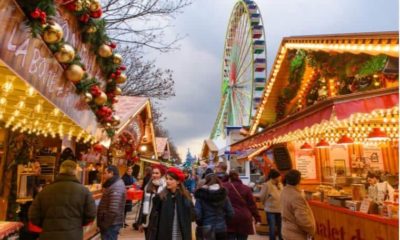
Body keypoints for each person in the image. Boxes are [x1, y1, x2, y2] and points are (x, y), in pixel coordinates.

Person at [28, 160, 96, 239]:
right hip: (73, 236)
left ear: (60, 171)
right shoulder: (84, 191)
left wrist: (46, 226)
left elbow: (33, 216)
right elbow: (91, 214)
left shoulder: (45, 191)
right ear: (75, 172)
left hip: (49, 236)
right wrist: (78, 224)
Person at [147, 167, 194, 240]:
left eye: (171, 179)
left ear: (178, 181)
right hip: (164, 235)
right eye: (167, 178)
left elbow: (192, 216)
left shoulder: (185, 197)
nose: (168, 181)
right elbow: (153, 219)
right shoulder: (161, 197)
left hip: (181, 235)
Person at [194, 173, 234, 240]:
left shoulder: (201, 196)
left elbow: (198, 215)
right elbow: (231, 213)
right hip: (221, 228)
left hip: (206, 228)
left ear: (206, 182)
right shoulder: (224, 196)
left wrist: (201, 224)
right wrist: (224, 222)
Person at [223, 170, 261, 240]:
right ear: (238, 177)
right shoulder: (246, 188)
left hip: (229, 218)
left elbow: (221, 183)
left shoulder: (225, 187)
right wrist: (257, 218)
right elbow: (252, 205)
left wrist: (226, 178)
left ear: (229, 177)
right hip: (244, 218)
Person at [281, 170, 315, 240]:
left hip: (286, 230)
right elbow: (302, 219)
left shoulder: (284, 191)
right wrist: (311, 230)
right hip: (296, 234)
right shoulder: (296, 196)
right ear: (298, 180)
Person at [97, 165, 126, 240]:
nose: (103, 175)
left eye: (105, 173)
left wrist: (105, 225)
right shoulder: (113, 184)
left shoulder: (116, 186)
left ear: (111, 173)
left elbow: (113, 210)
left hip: (111, 224)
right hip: (111, 223)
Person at [138, 164, 166, 238]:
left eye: (157, 173)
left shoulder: (165, 187)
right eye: (153, 173)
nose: (154, 175)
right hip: (148, 219)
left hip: (159, 220)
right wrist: (141, 221)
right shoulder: (148, 186)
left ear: (162, 174)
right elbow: (143, 204)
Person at [259, 169, 283, 240]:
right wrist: (265, 204)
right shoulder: (267, 185)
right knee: (272, 228)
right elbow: (262, 196)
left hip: (280, 209)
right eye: (279, 176)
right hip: (270, 210)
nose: (280, 178)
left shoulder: (280, 184)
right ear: (275, 177)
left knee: (281, 227)